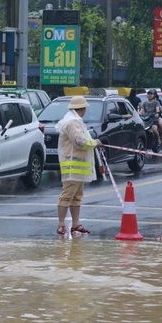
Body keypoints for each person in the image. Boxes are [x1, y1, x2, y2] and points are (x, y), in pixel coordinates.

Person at [55, 96, 102, 236]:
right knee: (67, 195)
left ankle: (76, 223)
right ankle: (62, 224)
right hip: (72, 165)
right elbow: (80, 141)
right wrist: (95, 143)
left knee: (76, 196)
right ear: (81, 109)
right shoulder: (72, 122)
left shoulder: (74, 120)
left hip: (78, 165)